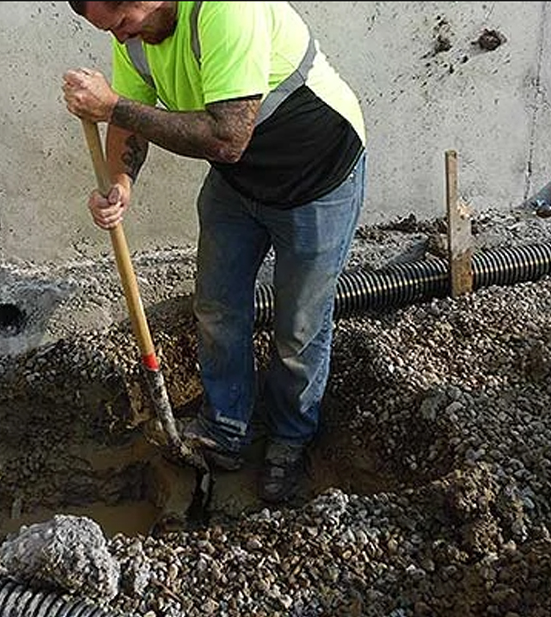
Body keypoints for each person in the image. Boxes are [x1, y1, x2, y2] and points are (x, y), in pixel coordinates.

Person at [62, 1, 366, 504]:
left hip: (317, 176)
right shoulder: (134, 35)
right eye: (106, 28)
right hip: (239, 182)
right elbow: (131, 119)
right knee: (218, 307)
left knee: (300, 324)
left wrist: (111, 105)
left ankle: (290, 438)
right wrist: (120, 184)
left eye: (120, 20)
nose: (117, 35)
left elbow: (227, 138)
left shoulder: (228, 10)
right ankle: (227, 426)